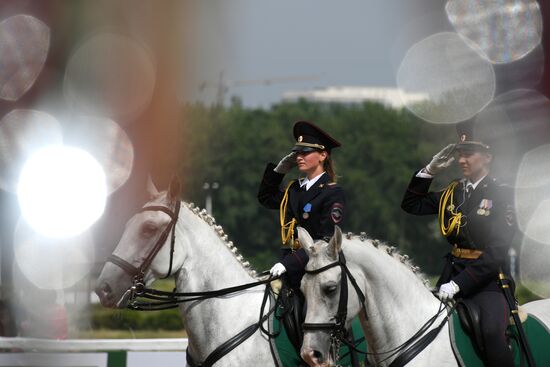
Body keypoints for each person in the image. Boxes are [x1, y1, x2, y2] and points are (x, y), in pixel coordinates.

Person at [401, 122, 516, 367]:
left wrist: (459, 284)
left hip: (488, 284)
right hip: (450, 276)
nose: (462, 160)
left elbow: (496, 253)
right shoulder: (453, 192)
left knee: (492, 334)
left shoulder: (501, 194)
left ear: (487, 156)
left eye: (469, 154)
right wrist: (429, 171)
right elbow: (411, 204)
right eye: (460, 154)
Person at [258, 120, 346, 289]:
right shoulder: (295, 189)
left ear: (323, 155)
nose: (299, 157)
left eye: (305, 152)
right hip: (288, 266)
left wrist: (288, 264)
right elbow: (265, 198)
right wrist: (279, 171)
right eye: (297, 152)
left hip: (316, 272)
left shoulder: (332, 193)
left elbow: (325, 241)